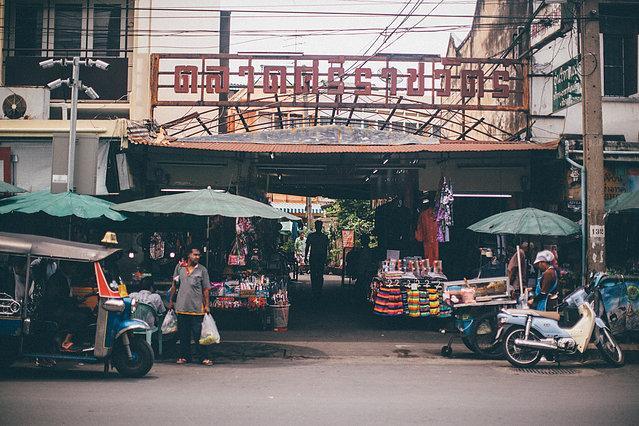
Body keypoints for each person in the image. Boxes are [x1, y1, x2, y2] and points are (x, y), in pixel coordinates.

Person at [169, 245, 214, 366]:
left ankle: (203, 357)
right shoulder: (180, 268)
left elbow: (206, 289)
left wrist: (207, 305)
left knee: (199, 335)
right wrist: (171, 302)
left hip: (197, 308)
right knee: (183, 334)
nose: (197, 257)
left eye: (199, 255)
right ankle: (184, 356)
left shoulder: (202, 270)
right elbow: (174, 285)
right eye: (195, 254)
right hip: (182, 307)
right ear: (189, 255)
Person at [304, 220, 330, 300]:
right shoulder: (324, 237)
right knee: (319, 274)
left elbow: (307, 247)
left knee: (315, 274)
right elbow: (326, 249)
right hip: (320, 257)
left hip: (315, 257)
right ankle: (318, 290)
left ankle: (315, 290)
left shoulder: (311, 236)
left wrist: (305, 256)